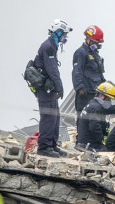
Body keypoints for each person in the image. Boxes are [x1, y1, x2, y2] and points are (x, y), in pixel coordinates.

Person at [34, 19, 73, 158]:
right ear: (58, 32)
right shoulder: (48, 46)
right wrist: (60, 86)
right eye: (64, 35)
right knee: (48, 117)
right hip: (45, 89)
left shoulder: (52, 45)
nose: (65, 38)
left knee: (55, 116)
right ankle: (44, 147)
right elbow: (52, 70)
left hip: (49, 88)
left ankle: (52, 145)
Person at [77, 82, 115, 152]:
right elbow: (94, 127)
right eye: (108, 99)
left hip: (89, 143)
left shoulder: (95, 104)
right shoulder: (95, 108)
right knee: (110, 155)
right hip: (90, 145)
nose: (109, 101)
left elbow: (114, 108)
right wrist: (102, 142)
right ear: (101, 96)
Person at [72, 25, 106, 128]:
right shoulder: (80, 53)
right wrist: (80, 88)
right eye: (95, 42)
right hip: (85, 93)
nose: (97, 45)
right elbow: (77, 71)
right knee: (84, 119)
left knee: (97, 119)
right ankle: (81, 142)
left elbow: (99, 73)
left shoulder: (95, 54)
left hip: (96, 92)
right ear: (88, 39)